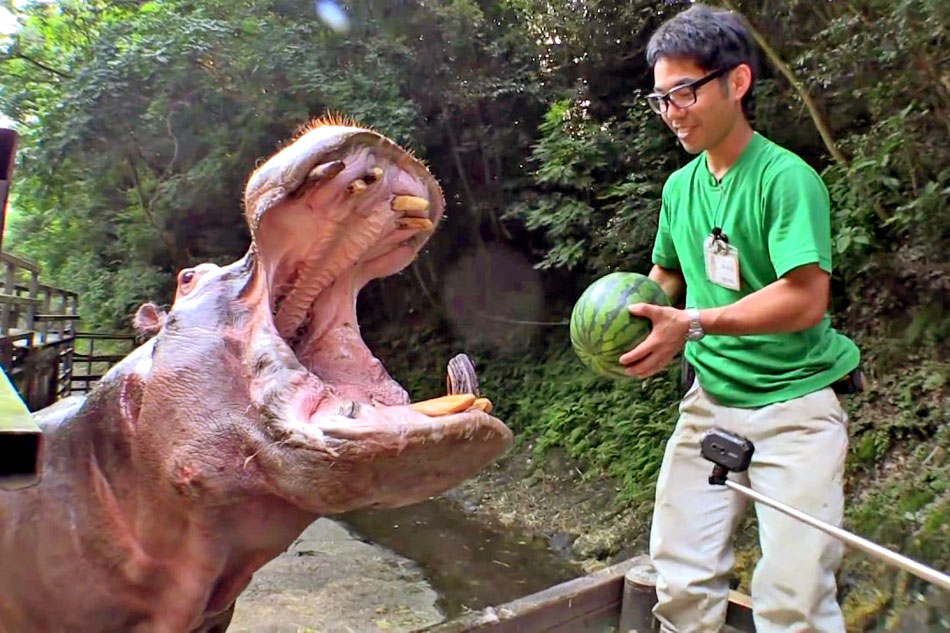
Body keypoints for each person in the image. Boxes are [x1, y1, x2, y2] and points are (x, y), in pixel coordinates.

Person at [617, 5, 861, 632]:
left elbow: (805, 298)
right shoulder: (681, 189)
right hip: (710, 401)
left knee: (794, 601)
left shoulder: (787, 180)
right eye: (660, 98)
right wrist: (629, 312)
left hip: (796, 407)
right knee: (681, 581)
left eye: (683, 93)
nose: (672, 111)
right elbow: (666, 274)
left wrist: (691, 323)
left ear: (737, 81)